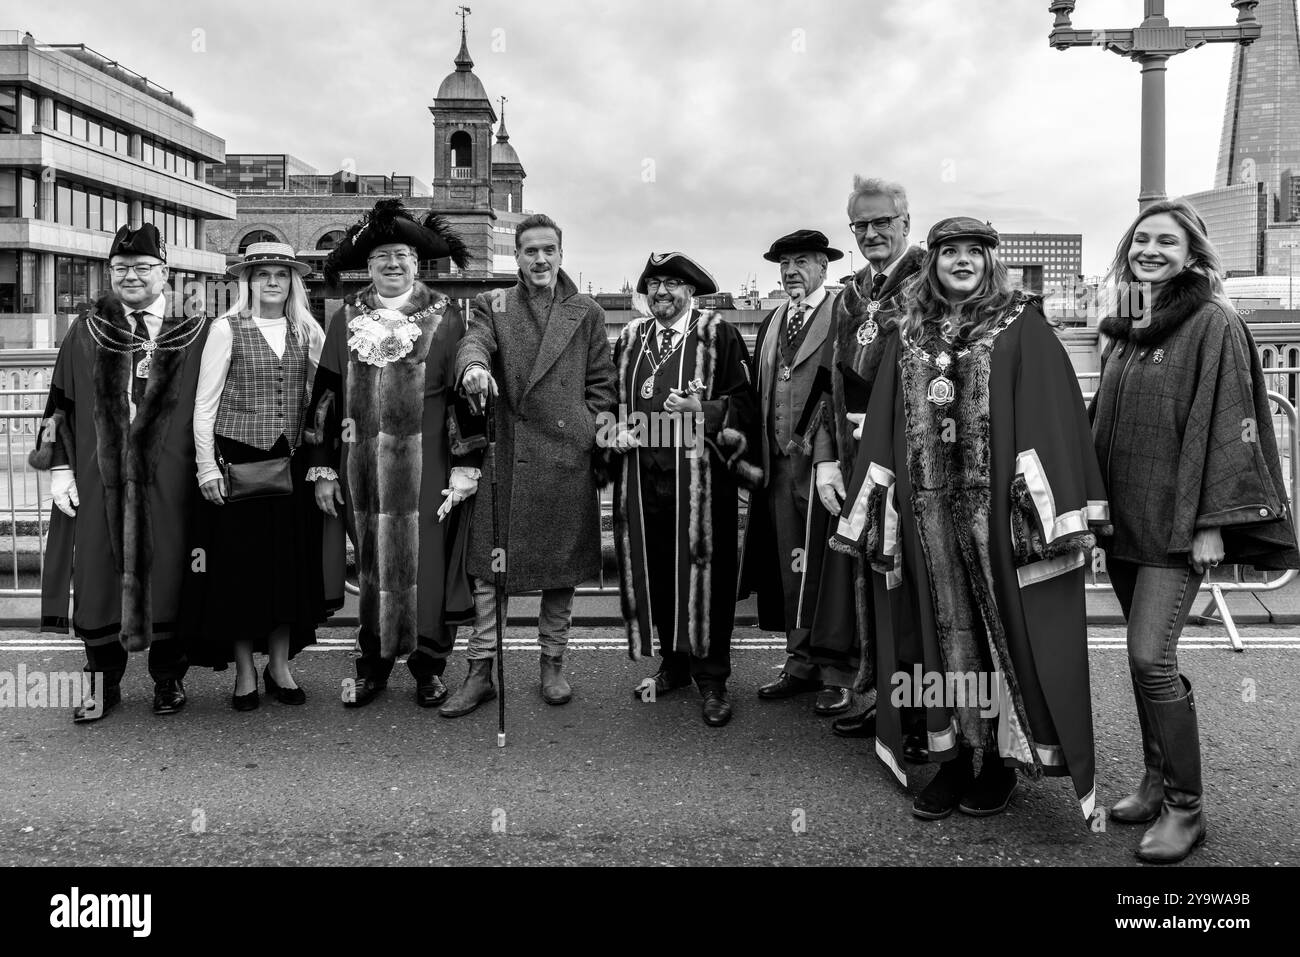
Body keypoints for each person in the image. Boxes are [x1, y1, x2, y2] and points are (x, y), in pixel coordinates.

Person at [831, 217, 1105, 822]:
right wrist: (877, 501)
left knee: (999, 630)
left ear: (990, 260)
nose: (961, 261)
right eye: (948, 252)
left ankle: (1001, 766)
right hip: (928, 519)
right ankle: (954, 757)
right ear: (932, 263)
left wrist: (1043, 511)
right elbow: (884, 421)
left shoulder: (1021, 325)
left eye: (972, 252)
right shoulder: (912, 334)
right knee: (939, 636)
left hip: (996, 521)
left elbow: (1050, 415)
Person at [1091, 199, 1299, 863]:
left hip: (1176, 526)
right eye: (1143, 239)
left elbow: (1232, 421)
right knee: (1138, 655)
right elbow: (1104, 417)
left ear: (1192, 254)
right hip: (1123, 518)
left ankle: (1187, 807)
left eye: (1167, 242)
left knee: (1152, 657)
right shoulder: (1127, 323)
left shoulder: (1214, 320)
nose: (1151, 250)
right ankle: (1154, 782)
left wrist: (1212, 522)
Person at [30, 224, 209, 722]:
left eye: (143, 267)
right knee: (97, 574)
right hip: (97, 476)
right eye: (121, 269)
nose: (131, 276)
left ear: (165, 273)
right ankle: (100, 683)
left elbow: (213, 407)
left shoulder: (190, 333)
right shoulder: (85, 331)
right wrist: (60, 468)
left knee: (170, 572)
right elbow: (58, 403)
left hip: (170, 482)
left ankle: (168, 680)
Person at [306, 199, 480, 709]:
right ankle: (373, 665)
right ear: (369, 263)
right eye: (382, 255)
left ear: (417, 262)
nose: (392, 264)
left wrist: (468, 463)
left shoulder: (446, 317)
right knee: (374, 568)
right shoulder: (346, 317)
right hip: (359, 466)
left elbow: (461, 394)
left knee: (425, 566)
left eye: (401, 254)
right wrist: (322, 466)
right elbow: (326, 394)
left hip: (427, 467)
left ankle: (429, 667)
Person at [449, 213, 617, 716]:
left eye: (549, 250)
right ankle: (481, 672)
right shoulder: (492, 303)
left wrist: (584, 430)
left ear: (561, 254)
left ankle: (552, 665)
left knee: (559, 573)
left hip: (564, 458)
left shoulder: (586, 311)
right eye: (530, 251)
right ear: (516, 257)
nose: (540, 259)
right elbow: (472, 342)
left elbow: (603, 384)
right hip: (509, 456)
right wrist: (475, 368)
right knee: (488, 574)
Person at [601, 252, 760, 727]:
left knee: (705, 577)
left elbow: (747, 404)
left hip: (702, 483)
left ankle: (712, 678)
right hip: (644, 480)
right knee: (660, 571)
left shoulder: (719, 334)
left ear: (690, 291)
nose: (661, 293)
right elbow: (607, 399)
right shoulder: (630, 339)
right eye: (653, 284)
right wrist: (614, 431)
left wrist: (703, 410)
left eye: (671, 284)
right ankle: (673, 663)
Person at [806, 176, 926, 742]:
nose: (872, 233)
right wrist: (826, 459)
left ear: (907, 222)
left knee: (911, 581)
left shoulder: (933, 281)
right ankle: (873, 688)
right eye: (861, 225)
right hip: (856, 461)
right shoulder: (851, 291)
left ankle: (919, 705)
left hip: (915, 462)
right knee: (866, 576)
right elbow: (832, 386)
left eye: (882, 222)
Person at [185, 242, 327, 710]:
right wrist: (207, 467)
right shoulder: (227, 329)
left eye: (281, 274)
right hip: (239, 459)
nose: (272, 281)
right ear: (247, 281)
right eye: (263, 273)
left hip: (292, 463)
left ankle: (280, 665)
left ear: (293, 281)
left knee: (287, 567)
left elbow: (325, 396)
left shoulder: (307, 329)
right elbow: (204, 405)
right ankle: (245, 671)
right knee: (239, 570)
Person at [738, 229, 850, 715]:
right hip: (780, 467)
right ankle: (799, 661)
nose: (791, 271)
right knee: (792, 567)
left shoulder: (846, 316)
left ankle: (839, 671)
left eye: (802, 261)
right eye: (784, 263)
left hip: (829, 463)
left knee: (833, 568)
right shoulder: (773, 321)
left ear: (825, 267)